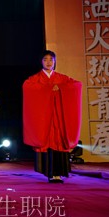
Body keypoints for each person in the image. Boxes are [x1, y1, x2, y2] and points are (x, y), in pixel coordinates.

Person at [22, 50, 82, 183]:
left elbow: (77, 85)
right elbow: (27, 86)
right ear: (41, 62)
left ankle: (58, 174)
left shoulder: (62, 78)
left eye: (51, 60)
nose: (48, 62)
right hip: (44, 119)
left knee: (59, 144)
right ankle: (49, 173)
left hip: (58, 118)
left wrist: (61, 89)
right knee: (47, 143)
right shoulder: (35, 79)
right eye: (45, 59)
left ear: (55, 62)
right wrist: (48, 90)